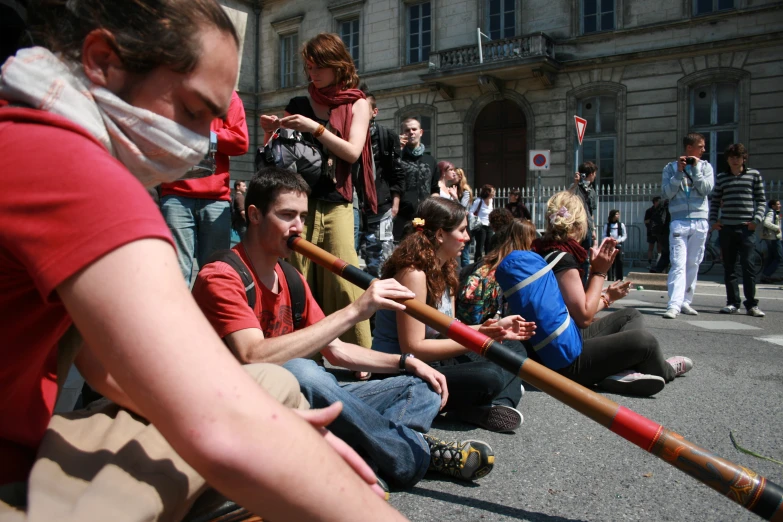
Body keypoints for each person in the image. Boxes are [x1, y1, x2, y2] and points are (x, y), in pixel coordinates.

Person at [0, 2, 403, 521]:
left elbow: (103, 363)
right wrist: (260, 437)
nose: (196, 142)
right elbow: (218, 424)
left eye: (212, 120)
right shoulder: (72, 172)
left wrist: (260, 428)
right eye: (192, 111)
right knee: (265, 398)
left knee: (273, 389)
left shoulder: (24, 131)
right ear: (101, 61)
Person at [193, 167, 498, 488]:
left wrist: (406, 362)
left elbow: (335, 350)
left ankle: (371, 455)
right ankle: (413, 453)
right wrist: (356, 310)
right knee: (301, 371)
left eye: (302, 216)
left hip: (303, 403)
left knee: (420, 386)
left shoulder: (289, 277)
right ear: (254, 215)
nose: (298, 227)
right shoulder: (223, 275)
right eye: (287, 216)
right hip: (242, 411)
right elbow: (252, 355)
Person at [372, 197, 535, 432]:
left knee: (513, 350)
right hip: (401, 371)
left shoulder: (446, 267)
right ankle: (483, 402)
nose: (468, 237)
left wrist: (492, 330)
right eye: (462, 230)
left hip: (432, 361)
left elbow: (449, 328)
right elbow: (414, 348)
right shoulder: (413, 274)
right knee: (489, 376)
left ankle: (488, 406)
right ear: (440, 235)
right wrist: (479, 339)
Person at [259, 32, 375, 352]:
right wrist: (271, 131)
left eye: (318, 66)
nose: (312, 73)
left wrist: (315, 128)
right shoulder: (298, 104)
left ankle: (360, 353)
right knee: (296, 275)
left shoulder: (357, 103)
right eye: (308, 67)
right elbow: (279, 155)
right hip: (298, 202)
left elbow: (351, 153)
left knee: (344, 279)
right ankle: (295, 350)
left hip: (337, 201)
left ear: (337, 65)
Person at [524, 192, 693, 396]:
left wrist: (607, 296)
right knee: (645, 342)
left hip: (551, 345)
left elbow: (568, 306)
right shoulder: (563, 259)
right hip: (562, 361)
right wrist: (600, 272)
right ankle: (663, 369)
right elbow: (583, 316)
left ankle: (618, 369)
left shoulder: (542, 251)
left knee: (631, 315)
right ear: (579, 225)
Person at [160, 89, 249, 286]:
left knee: (215, 272)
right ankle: (177, 316)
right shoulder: (168, 88)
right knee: (176, 271)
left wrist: (205, 135)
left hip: (215, 198)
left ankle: (212, 316)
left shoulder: (227, 96)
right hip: (176, 194)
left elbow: (241, 142)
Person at [709, 143, 766, 317]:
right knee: (729, 267)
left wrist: (756, 220)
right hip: (727, 228)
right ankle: (732, 302)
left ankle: (752, 305)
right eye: (732, 157)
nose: (735, 160)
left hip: (746, 228)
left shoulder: (753, 175)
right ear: (727, 159)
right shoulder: (722, 177)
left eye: (738, 157)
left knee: (748, 266)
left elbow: (762, 200)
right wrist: (713, 221)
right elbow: (715, 201)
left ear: (744, 158)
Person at [661, 133, 714, 319]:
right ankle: (673, 304)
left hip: (700, 221)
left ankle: (685, 302)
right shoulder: (670, 168)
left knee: (694, 263)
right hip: (679, 222)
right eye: (701, 146)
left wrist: (696, 170)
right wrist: (678, 173)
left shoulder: (706, 167)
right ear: (689, 148)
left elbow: (707, 189)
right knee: (678, 264)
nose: (704, 149)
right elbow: (667, 193)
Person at [457, 219, 538, 326]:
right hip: (498, 326)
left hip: (470, 323)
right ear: (529, 239)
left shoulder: (489, 261)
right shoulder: (518, 264)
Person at [360, 87, 404, 277]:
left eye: (364, 109)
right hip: (356, 207)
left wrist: (395, 203)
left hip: (382, 205)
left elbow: (396, 171)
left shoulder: (386, 136)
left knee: (383, 257)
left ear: (374, 112)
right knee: (361, 258)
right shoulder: (348, 135)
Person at [395, 117, 439, 240]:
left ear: (421, 132)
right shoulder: (397, 158)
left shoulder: (430, 160)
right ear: (403, 134)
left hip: (426, 216)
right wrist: (397, 150)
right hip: (403, 217)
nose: (411, 132)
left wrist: (434, 209)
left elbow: (435, 189)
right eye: (407, 130)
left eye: (414, 129)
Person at [571, 162, 598, 285]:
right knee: (574, 256)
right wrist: (576, 183)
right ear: (591, 174)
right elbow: (566, 196)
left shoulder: (592, 191)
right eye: (594, 173)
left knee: (585, 258)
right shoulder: (576, 187)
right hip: (576, 228)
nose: (595, 176)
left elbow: (591, 212)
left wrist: (593, 229)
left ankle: (583, 283)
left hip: (587, 228)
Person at [470, 184, 495, 262]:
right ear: (488, 192)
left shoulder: (491, 201)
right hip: (481, 226)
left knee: (489, 245)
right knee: (480, 247)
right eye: (493, 191)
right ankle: (477, 263)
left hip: (489, 226)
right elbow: (471, 212)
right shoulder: (479, 200)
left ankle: (488, 263)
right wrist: (478, 220)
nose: (494, 193)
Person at [455, 168, 473, 267]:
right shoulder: (450, 187)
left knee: (465, 253)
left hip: (463, 223)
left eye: (455, 175)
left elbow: (462, 207)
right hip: (454, 222)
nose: (453, 177)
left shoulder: (465, 190)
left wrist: (454, 197)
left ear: (460, 176)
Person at [761, 199, 782, 283]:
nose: (780, 205)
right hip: (773, 239)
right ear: (773, 206)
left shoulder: (774, 213)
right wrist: (777, 228)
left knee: (771, 258)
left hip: (772, 238)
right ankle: (766, 274)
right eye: (778, 204)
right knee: (779, 258)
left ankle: (765, 276)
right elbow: (766, 223)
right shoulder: (771, 212)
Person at [649, 199, 672, 274]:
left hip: (660, 232)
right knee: (668, 253)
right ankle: (658, 269)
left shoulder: (661, 205)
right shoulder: (670, 206)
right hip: (667, 232)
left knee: (665, 252)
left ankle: (657, 269)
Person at [604, 209, 627, 281]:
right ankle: (610, 277)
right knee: (610, 262)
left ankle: (619, 278)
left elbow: (624, 235)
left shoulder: (621, 225)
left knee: (619, 261)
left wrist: (618, 241)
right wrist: (609, 239)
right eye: (616, 214)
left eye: (618, 214)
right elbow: (604, 235)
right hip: (610, 245)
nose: (618, 216)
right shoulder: (607, 225)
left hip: (618, 245)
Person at [644, 197, 661, 267]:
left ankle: (659, 262)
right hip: (651, 232)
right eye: (659, 201)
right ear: (655, 202)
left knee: (660, 247)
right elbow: (645, 221)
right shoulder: (649, 211)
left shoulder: (661, 210)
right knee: (651, 247)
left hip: (660, 232)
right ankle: (649, 262)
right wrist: (653, 220)